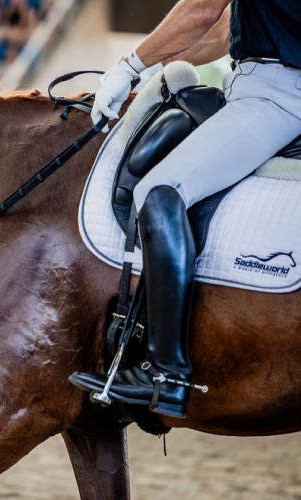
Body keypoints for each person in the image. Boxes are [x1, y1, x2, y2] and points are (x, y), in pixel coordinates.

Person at [70, 0, 301, 418]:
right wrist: (156, 68)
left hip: (277, 96)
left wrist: (129, 65)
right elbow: (220, 31)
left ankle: (166, 373)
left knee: (161, 190)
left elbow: (202, 10)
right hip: (261, 85)